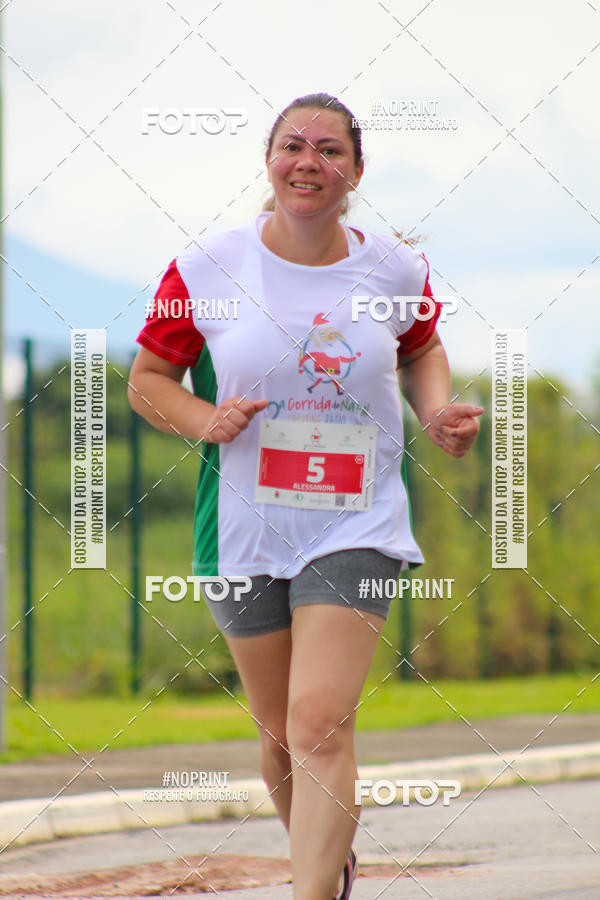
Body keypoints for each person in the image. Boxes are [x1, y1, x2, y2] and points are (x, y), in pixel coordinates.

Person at [128, 92, 483, 900]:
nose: (309, 163)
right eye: (294, 146)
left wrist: (437, 414)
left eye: (330, 151)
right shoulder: (208, 268)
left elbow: (422, 347)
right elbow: (149, 381)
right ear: (269, 159)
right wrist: (207, 419)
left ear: (355, 172)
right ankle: (332, 861)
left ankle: (313, 891)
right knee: (281, 737)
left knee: (319, 719)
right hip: (245, 529)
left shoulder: (392, 266)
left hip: (357, 520)